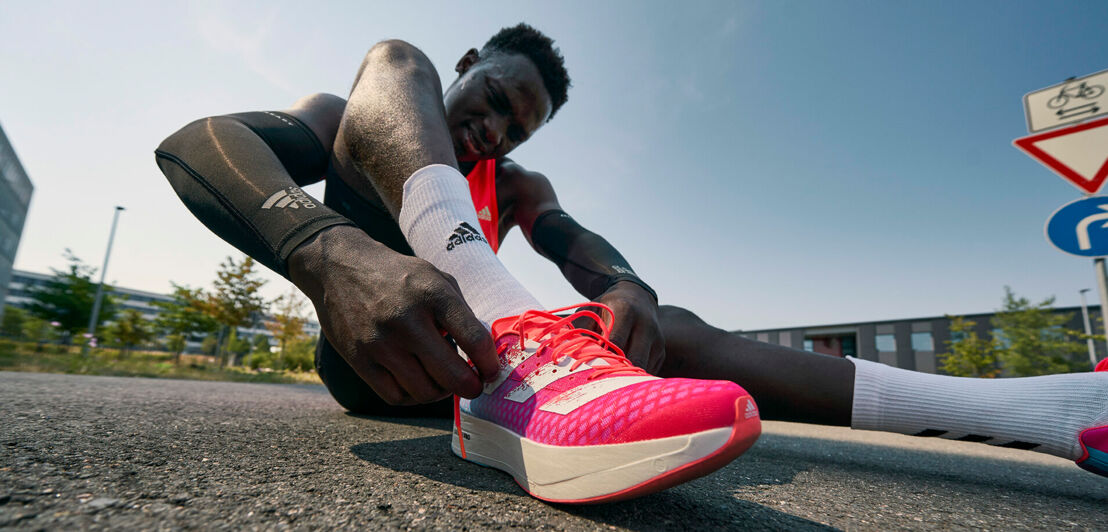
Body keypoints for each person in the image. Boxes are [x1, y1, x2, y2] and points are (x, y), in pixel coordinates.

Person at [155, 24, 1108, 502]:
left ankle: (1037, 414)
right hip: (383, 356)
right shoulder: (346, 121)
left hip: (485, 361)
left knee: (662, 322)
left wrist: (627, 294)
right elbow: (197, 140)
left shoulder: (516, 186)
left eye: (515, 126)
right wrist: (332, 255)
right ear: (473, 59)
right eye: (491, 97)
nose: (491, 127)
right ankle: (520, 355)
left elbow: (588, 254)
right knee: (391, 58)